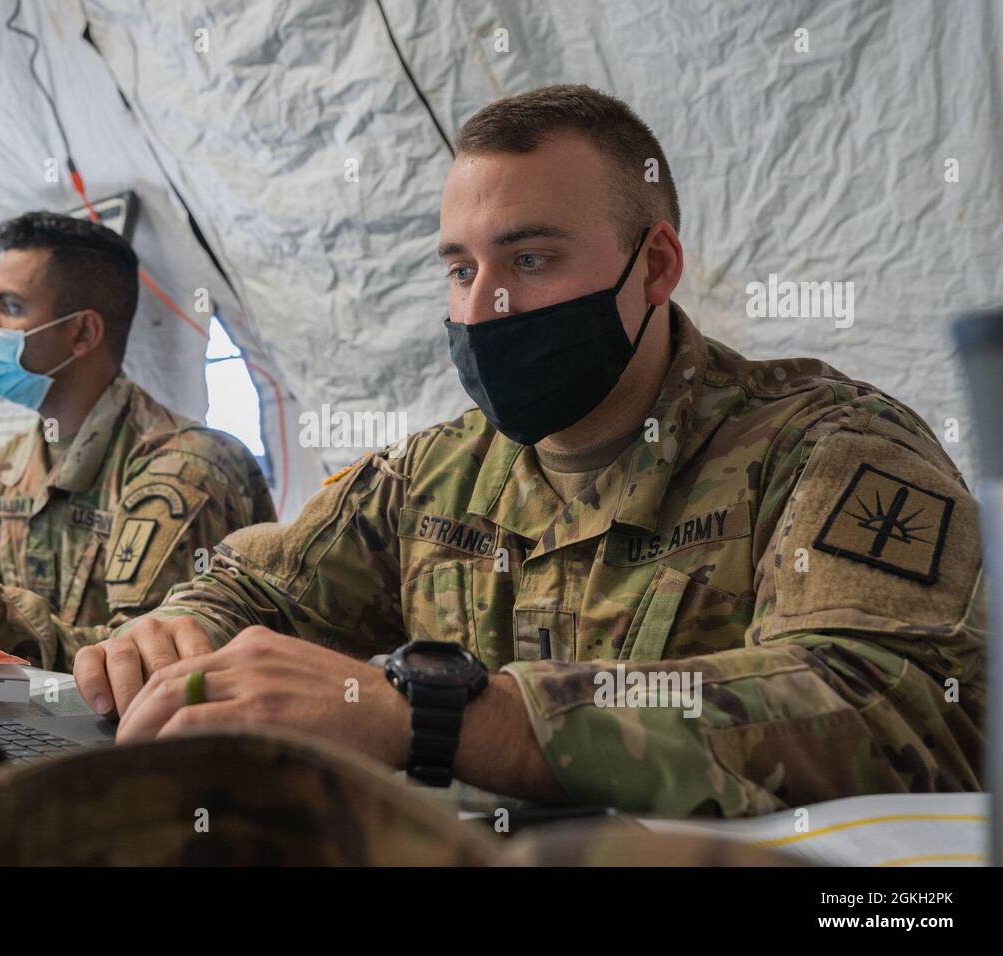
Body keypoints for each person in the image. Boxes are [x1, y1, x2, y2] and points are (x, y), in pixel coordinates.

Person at [73, 86, 983, 816]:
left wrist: (450, 719)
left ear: (656, 268)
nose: (480, 310)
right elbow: (260, 582)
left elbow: (895, 705)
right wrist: (176, 632)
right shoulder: (431, 474)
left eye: (531, 261)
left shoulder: (826, 449)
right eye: (461, 270)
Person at [0, 212, 275, 672]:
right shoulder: (9, 468)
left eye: (11, 306)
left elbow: (143, 668)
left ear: (82, 332)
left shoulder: (186, 469)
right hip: (39, 727)